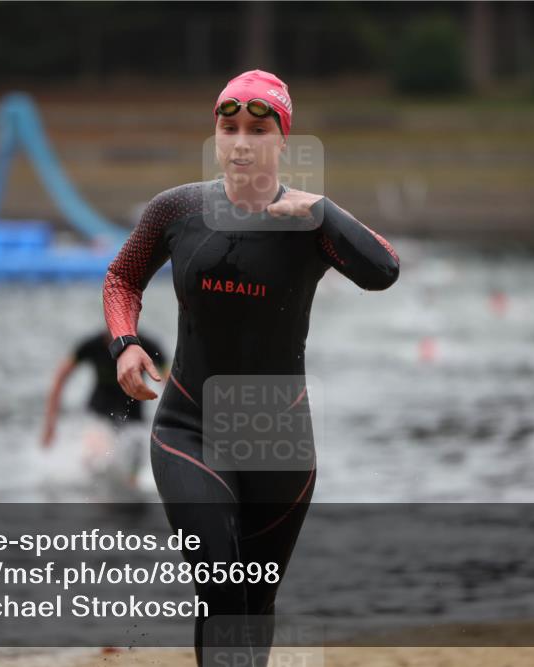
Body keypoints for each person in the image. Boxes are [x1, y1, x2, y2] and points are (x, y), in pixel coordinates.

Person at [101, 70, 399, 666]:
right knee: (221, 583)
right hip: (190, 427)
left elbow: (383, 270)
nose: (241, 142)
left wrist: (323, 211)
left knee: (253, 600)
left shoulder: (310, 225)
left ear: (282, 139)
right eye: (228, 126)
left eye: (258, 130)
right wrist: (126, 342)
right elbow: (122, 277)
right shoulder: (178, 209)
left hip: (278, 440)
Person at [42, 329, 168, 490]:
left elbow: (169, 381)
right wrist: (50, 424)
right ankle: (94, 499)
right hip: (99, 414)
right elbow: (61, 377)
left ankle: (130, 507)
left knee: (132, 478)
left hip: (134, 419)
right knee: (96, 457)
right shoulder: (92, 345)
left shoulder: (148, 345)